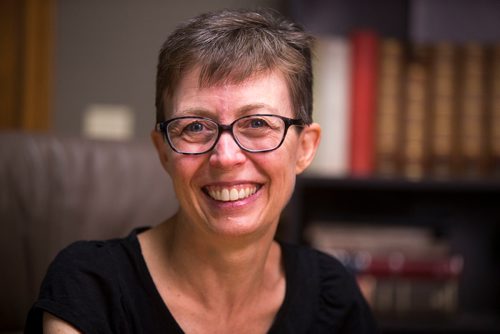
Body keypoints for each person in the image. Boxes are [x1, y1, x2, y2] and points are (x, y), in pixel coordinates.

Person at [25, 8, 376, 333]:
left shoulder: (335, 299)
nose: (225, 157)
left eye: (256, 123)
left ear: (305, 148)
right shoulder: (89, 288)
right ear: (163, 151)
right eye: (194, 127)